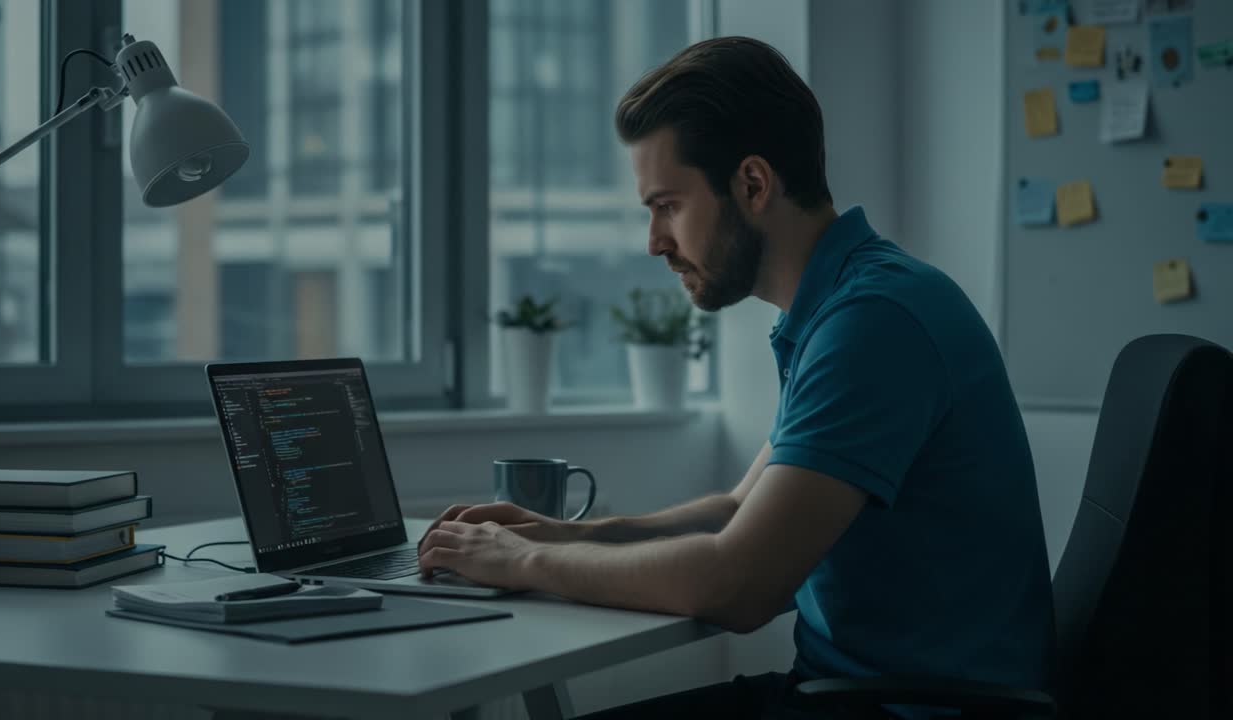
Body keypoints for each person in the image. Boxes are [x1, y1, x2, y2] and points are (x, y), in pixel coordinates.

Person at [417, 36, 1054, 719]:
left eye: (667, 205)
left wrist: (523, 565)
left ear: (752, 184)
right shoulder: (846, 304)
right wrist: (557, 535)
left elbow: (742, 584)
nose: (654, 242)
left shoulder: (875, 323)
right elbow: (736, 512)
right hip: (851, 694)